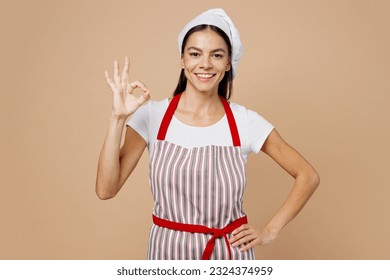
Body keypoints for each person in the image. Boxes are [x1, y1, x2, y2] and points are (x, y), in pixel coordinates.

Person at [96, 8, 320, 260]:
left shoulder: (244, 122)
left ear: (228, 63)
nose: (205, 64)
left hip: (229, 256)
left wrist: (270, 230)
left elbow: (308, 175)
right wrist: (117, 118)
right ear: (182, 59)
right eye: (195, 54)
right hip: (167, 254)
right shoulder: (152, 116)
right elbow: (106, 190)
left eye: (216, 55)